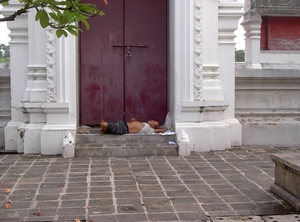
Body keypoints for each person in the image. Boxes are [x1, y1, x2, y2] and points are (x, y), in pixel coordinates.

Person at [100, 118, 167, 135]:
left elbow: (155, 131)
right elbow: (137, 125)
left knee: (103, 124)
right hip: (123, 124)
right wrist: (134, 120)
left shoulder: (149, 129)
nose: (152, 120)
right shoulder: (145, 124)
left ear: (153, 126)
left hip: (124, 128)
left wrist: (162, 130)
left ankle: (105, 129)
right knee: (108, 123)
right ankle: (105, 130)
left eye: (153, 121)